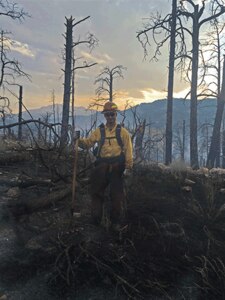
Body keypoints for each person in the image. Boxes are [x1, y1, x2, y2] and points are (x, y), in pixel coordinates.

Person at [78, 101, 133, 227]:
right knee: (96, 191)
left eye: (112, 114)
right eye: (108, 115)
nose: (110, 117)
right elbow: (88, 143)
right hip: (102, 165)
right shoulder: (99, 131)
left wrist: (128, 167)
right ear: (104, 116)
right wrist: (79, 141)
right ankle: (96, 219)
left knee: (117, 194)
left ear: (116, 115)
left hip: (117, 167)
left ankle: (116, 221)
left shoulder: (123, 132)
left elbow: (128, 150)